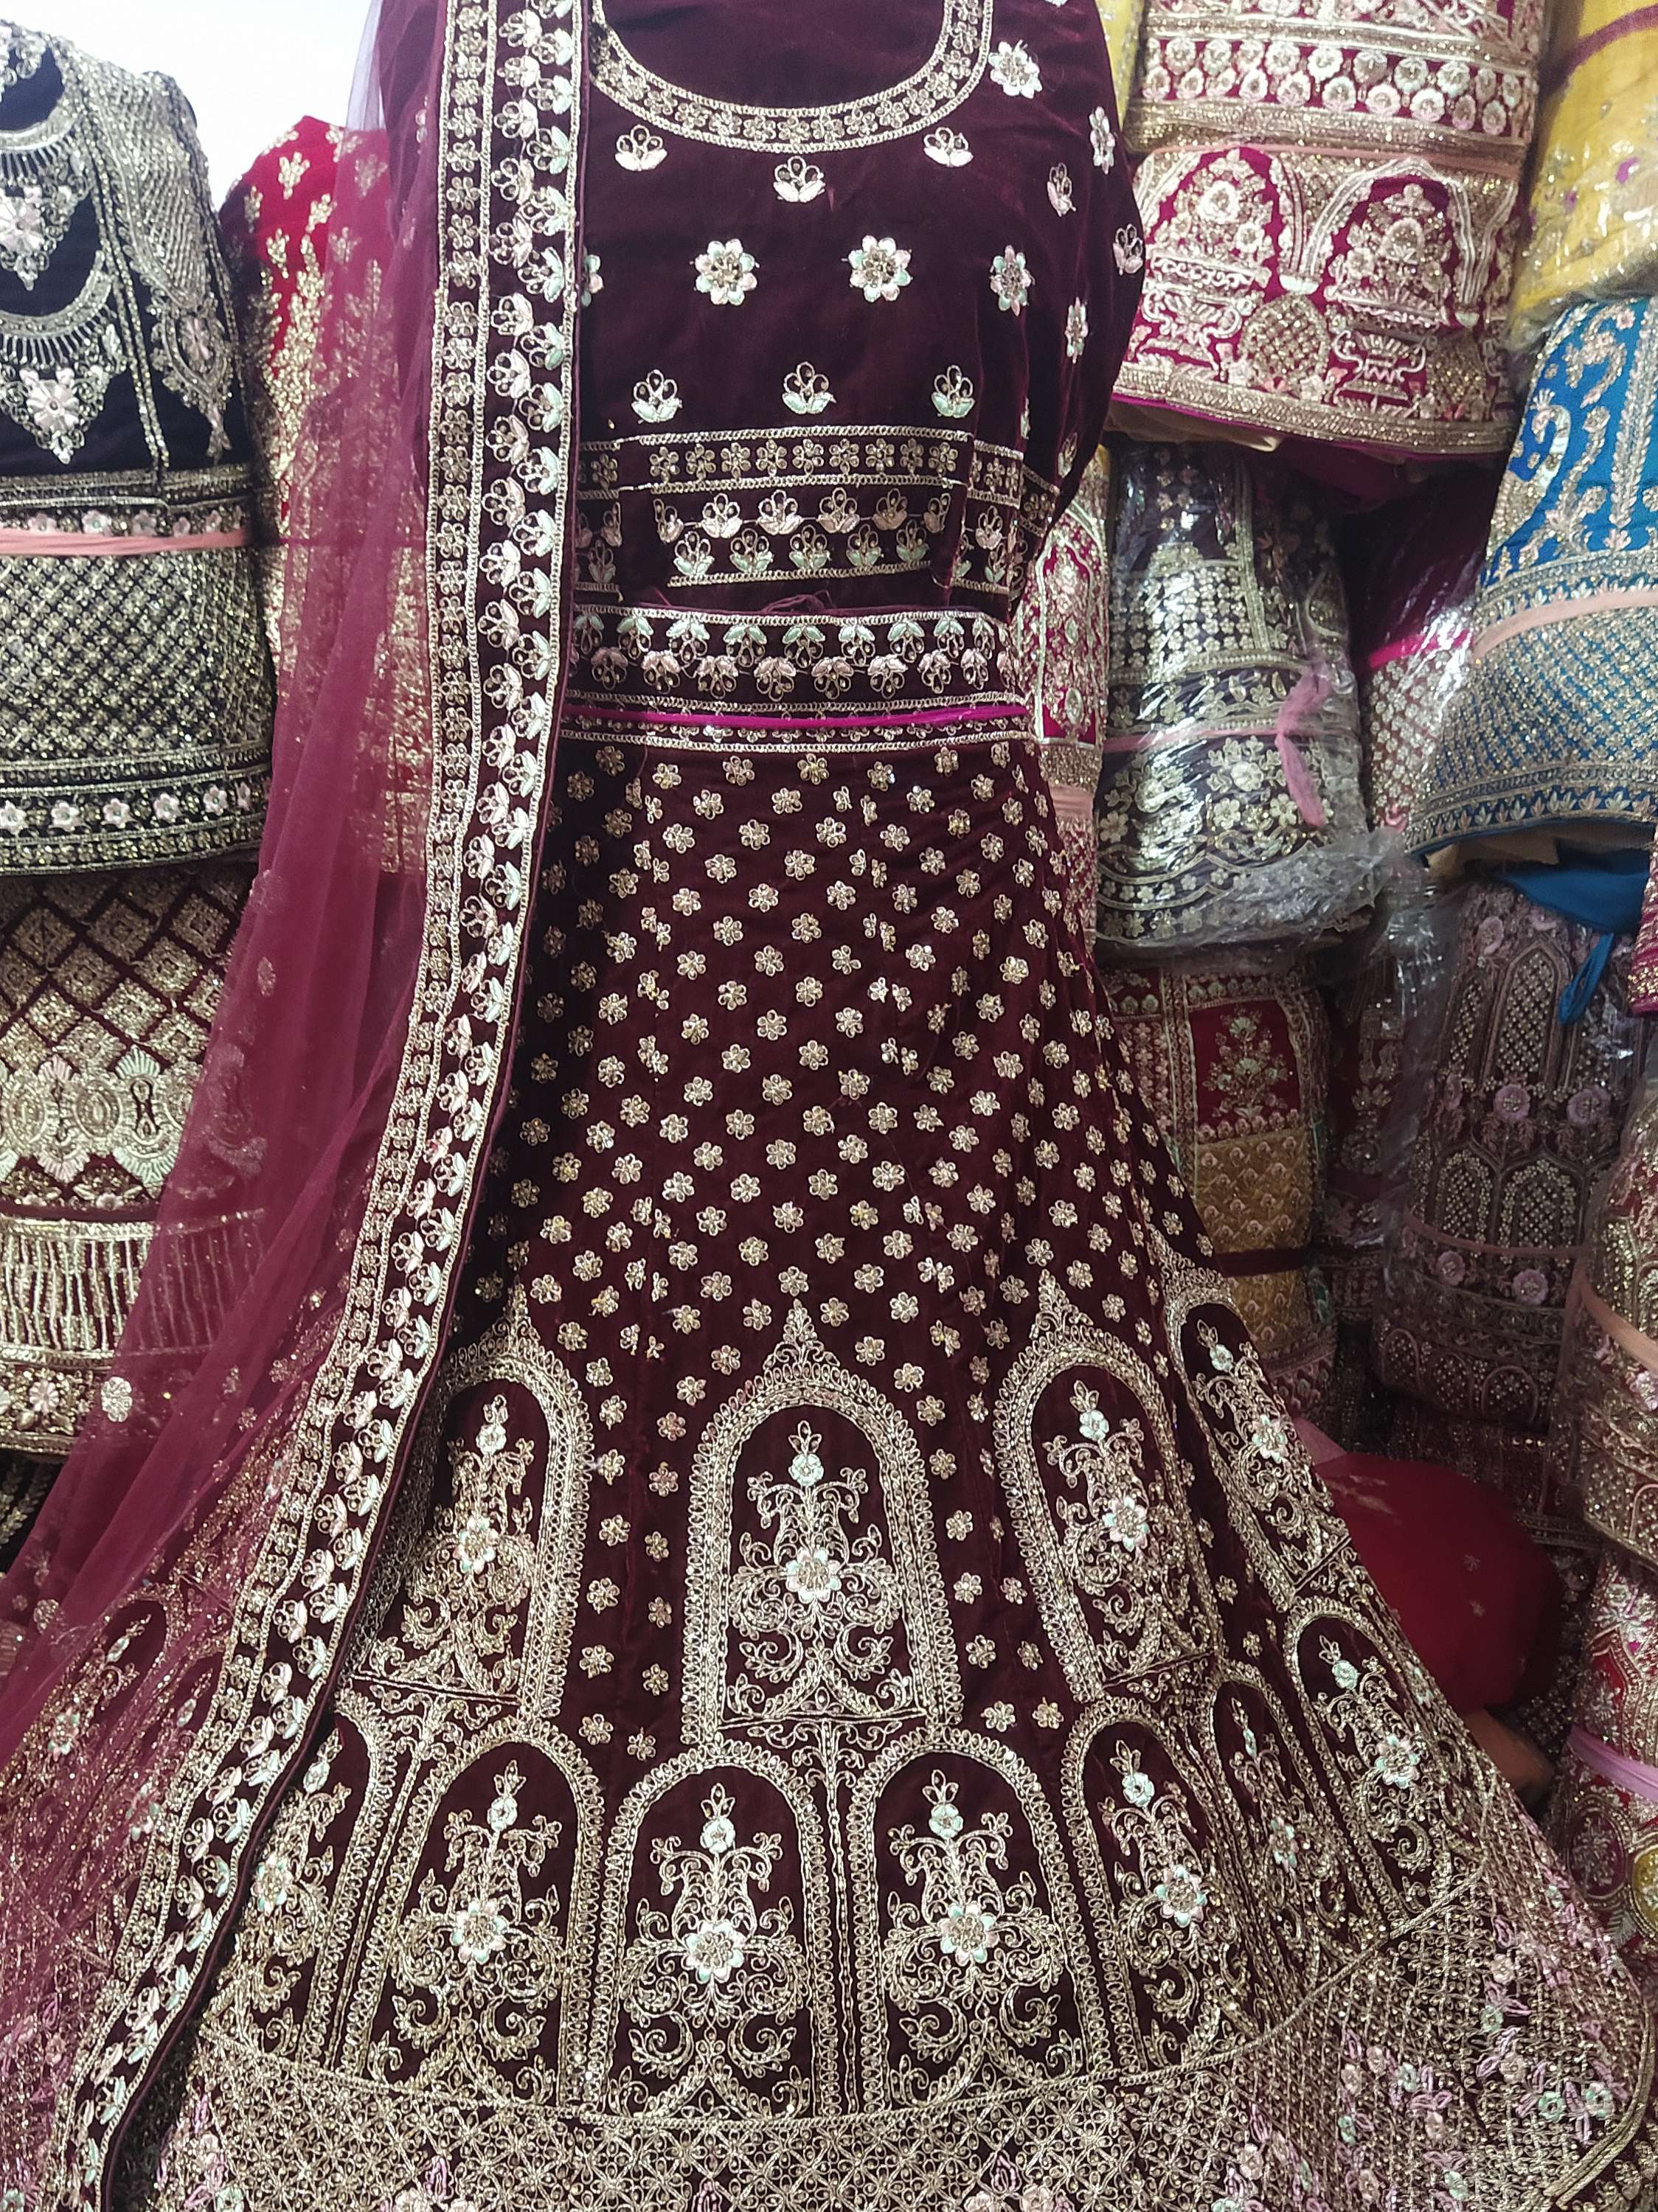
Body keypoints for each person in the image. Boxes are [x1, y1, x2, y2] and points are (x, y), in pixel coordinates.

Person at [1, 5, 1654, 2207]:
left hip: (962, 972)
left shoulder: (1035, 40)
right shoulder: (493, 37)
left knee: (1061, 1521)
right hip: (623, 964)